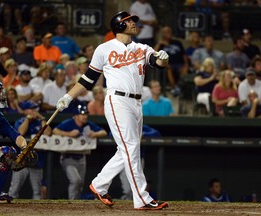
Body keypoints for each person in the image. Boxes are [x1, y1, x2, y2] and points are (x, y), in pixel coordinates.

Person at [56, 11, 169, 210]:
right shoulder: (104, 49)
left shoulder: (141, 47)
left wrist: (164, 59)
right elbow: (88, 79)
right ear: (119, 24)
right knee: (131, 148)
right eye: (130, 21)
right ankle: (142, 198)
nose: (134, 23)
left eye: (134, 20)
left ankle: (99, 184)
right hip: (117, 100)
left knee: (126, 149)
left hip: (136, 102)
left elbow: (157, 62)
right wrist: (68, 96)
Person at [52, 104, 107, 199]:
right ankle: (72, 203)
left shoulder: (88, 124)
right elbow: (55, 131)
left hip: (82, 158)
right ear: (76, 116)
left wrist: (94, 134)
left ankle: (77, 205)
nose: (85, 116)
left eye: (86, 114)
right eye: (82, 114)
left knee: (80, 183)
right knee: (75, 180)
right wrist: (68, 134)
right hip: (68, 157)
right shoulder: (69, 123)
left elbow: (104, 132)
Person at [9, 101, 51, 200]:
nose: (33, 111)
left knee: (37, 191)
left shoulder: (39, 122)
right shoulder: (20, 121)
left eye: (34, 109)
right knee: (14, 189)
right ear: (25, 111)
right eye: (31, 109)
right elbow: (21, 132)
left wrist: (42, 118)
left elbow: (48, 133)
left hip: (36, 161)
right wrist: (27, 119)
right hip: (21, 160)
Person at [154, 26, 189, 96]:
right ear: (162, 34)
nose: (168, 34)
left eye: (169, 32)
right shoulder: (160, 44)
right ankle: (175, 87)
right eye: (165, 32)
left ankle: (179, 86)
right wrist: (159, 43)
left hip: (179, 64)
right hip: (167, 65)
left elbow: (184, 55)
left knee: (185, 69)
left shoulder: (177, 42)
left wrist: (186, 64)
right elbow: (153, 53)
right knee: (169, 69)